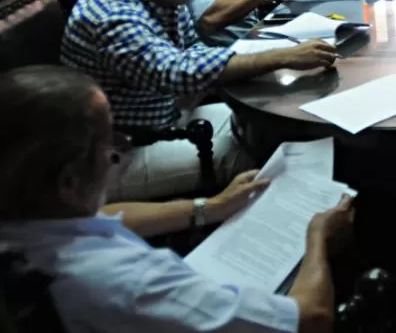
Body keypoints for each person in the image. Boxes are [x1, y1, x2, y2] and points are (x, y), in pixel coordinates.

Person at [0, 64, 354, 332]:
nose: (115, 151)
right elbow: (311, 318)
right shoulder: (130, 284)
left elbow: (107, 215)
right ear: (69, 182)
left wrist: (209, 207)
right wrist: (317, 239)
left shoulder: (33, 224)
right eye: (109, 142)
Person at [61, 0, 338, 201]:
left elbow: (194, 51)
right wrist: (281, 57)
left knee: (287, 123)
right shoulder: (112, 16)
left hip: (169, 118)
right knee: (268, 159)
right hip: (115, 155)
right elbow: (177, 72)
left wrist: (271, 57)